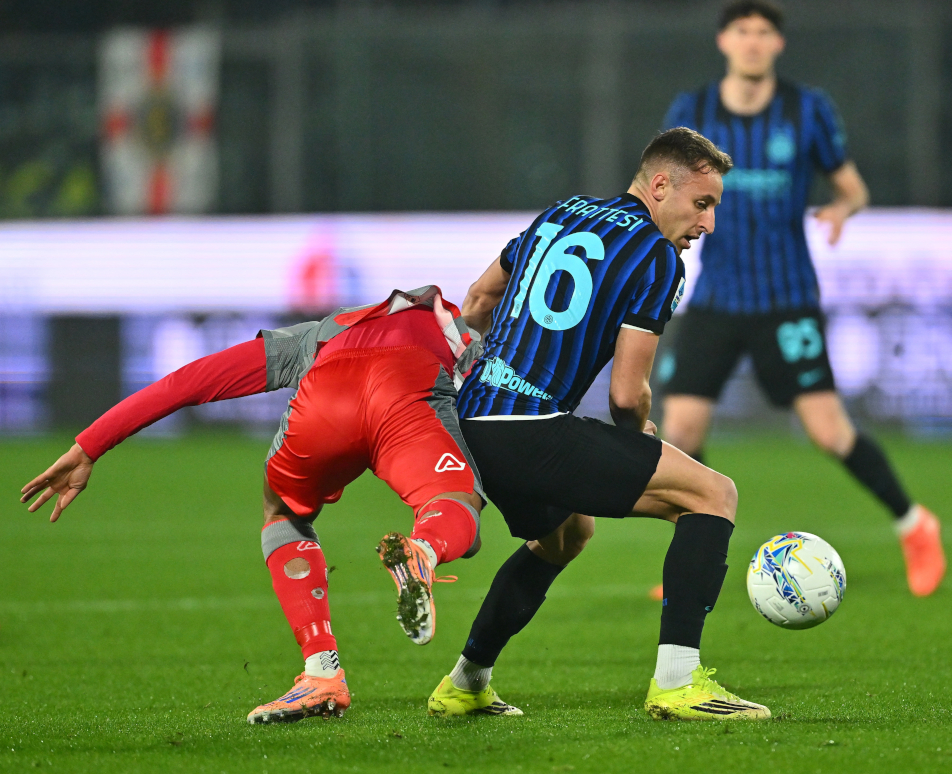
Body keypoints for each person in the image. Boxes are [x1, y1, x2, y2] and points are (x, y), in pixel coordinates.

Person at [422, 127, 770, 722]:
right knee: (713, 495)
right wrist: (641, 436)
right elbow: (625, 393)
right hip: (531, 428)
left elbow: (479, 298)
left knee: (566, 536)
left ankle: (465, 683)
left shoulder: (559, 214)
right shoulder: (656, 258)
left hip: (473, 419)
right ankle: (679, 684)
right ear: (660, 185)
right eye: (702, 204)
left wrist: (460, 385)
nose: (707, 224)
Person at [20, 287, 486, 724]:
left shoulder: (317, 333)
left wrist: (89, 446)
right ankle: (425, 548)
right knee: (451, 502)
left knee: (283, 513)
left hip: (326, 398)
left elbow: (190, 381)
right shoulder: (464, 335)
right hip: (406, 393)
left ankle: (322, 671)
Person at [656, 0, 945, 597]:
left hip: (786, 297)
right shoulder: (694, 109)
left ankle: (915, 524)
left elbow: (854, 187)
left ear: (777, 44)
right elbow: (667, 192)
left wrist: (843, 208)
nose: (753, 41)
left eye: (764, 32)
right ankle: (695, 554)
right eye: (742, 31)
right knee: (679, 430)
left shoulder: (806, 110)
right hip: (717, 298)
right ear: (724, 41)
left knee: (829, 432)